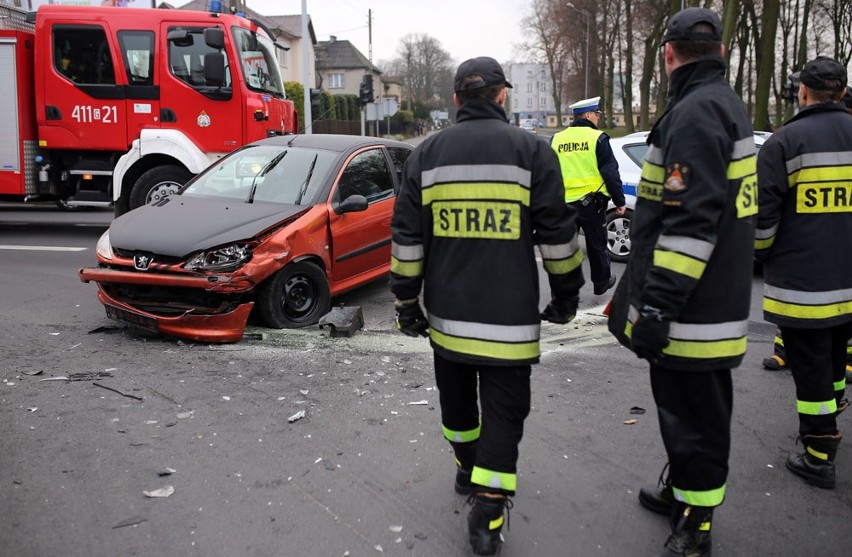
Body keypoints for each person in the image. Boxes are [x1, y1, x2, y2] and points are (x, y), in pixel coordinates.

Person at [389, 56, 584, 556]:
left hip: (448, 319)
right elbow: (558, 237)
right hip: (510, 321)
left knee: (458, 407)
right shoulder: (531, 151)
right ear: (502, 96)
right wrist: (566, 296)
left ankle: (465, 468)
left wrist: (406, 304)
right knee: (504, 413)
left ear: (456, 100)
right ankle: (490, 505)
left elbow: (408, 240)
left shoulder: (426, 155)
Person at [606, 8, 756, 556]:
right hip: (710, 302)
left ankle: (696, 522)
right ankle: (683, 492)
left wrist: (659, 310)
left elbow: (689, 228)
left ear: (668, 54)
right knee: (689, 414)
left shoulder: (695, 115)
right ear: (718, 51)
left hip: (692, 315)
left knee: (696, 420)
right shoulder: (723, 105)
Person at [755, 55, 852, 489]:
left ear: (803, 91)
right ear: (843, 92)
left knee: (810, 369)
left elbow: (763, 224)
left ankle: (818, 453)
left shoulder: (784, 143)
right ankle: (832, 411)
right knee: (835, 359)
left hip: (805, 286)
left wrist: (758, 256)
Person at [551, 96, 627, 295]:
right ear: (587, 115)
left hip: (562, 204)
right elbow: (610, 172)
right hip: (591, 205)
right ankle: (602, 283)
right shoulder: (598, 138)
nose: (598, 118)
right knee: (596, 244)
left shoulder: (557, 138)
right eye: (596, 114)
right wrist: (619, 201)